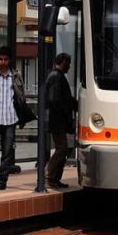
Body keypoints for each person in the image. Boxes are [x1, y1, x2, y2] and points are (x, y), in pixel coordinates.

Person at [0, 46, 27, 190]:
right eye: (0, 59)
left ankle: (2, 181)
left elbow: (21, 98)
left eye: (5, 59)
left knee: (7, 153)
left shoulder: (15, 76)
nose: (3, 62)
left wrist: (22, 117)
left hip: (10, 119)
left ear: (9, 60)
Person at [44, 52, 76, 189]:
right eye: (68, 63)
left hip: (59, 120)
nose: (69, 66)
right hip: (58, 120)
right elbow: (54, 99)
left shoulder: (57, 76)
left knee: (62, 148)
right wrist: (66, 109)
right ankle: (50, 174)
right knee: (62, 148)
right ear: (63, 62)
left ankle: (55, 178)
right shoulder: (56, 77)